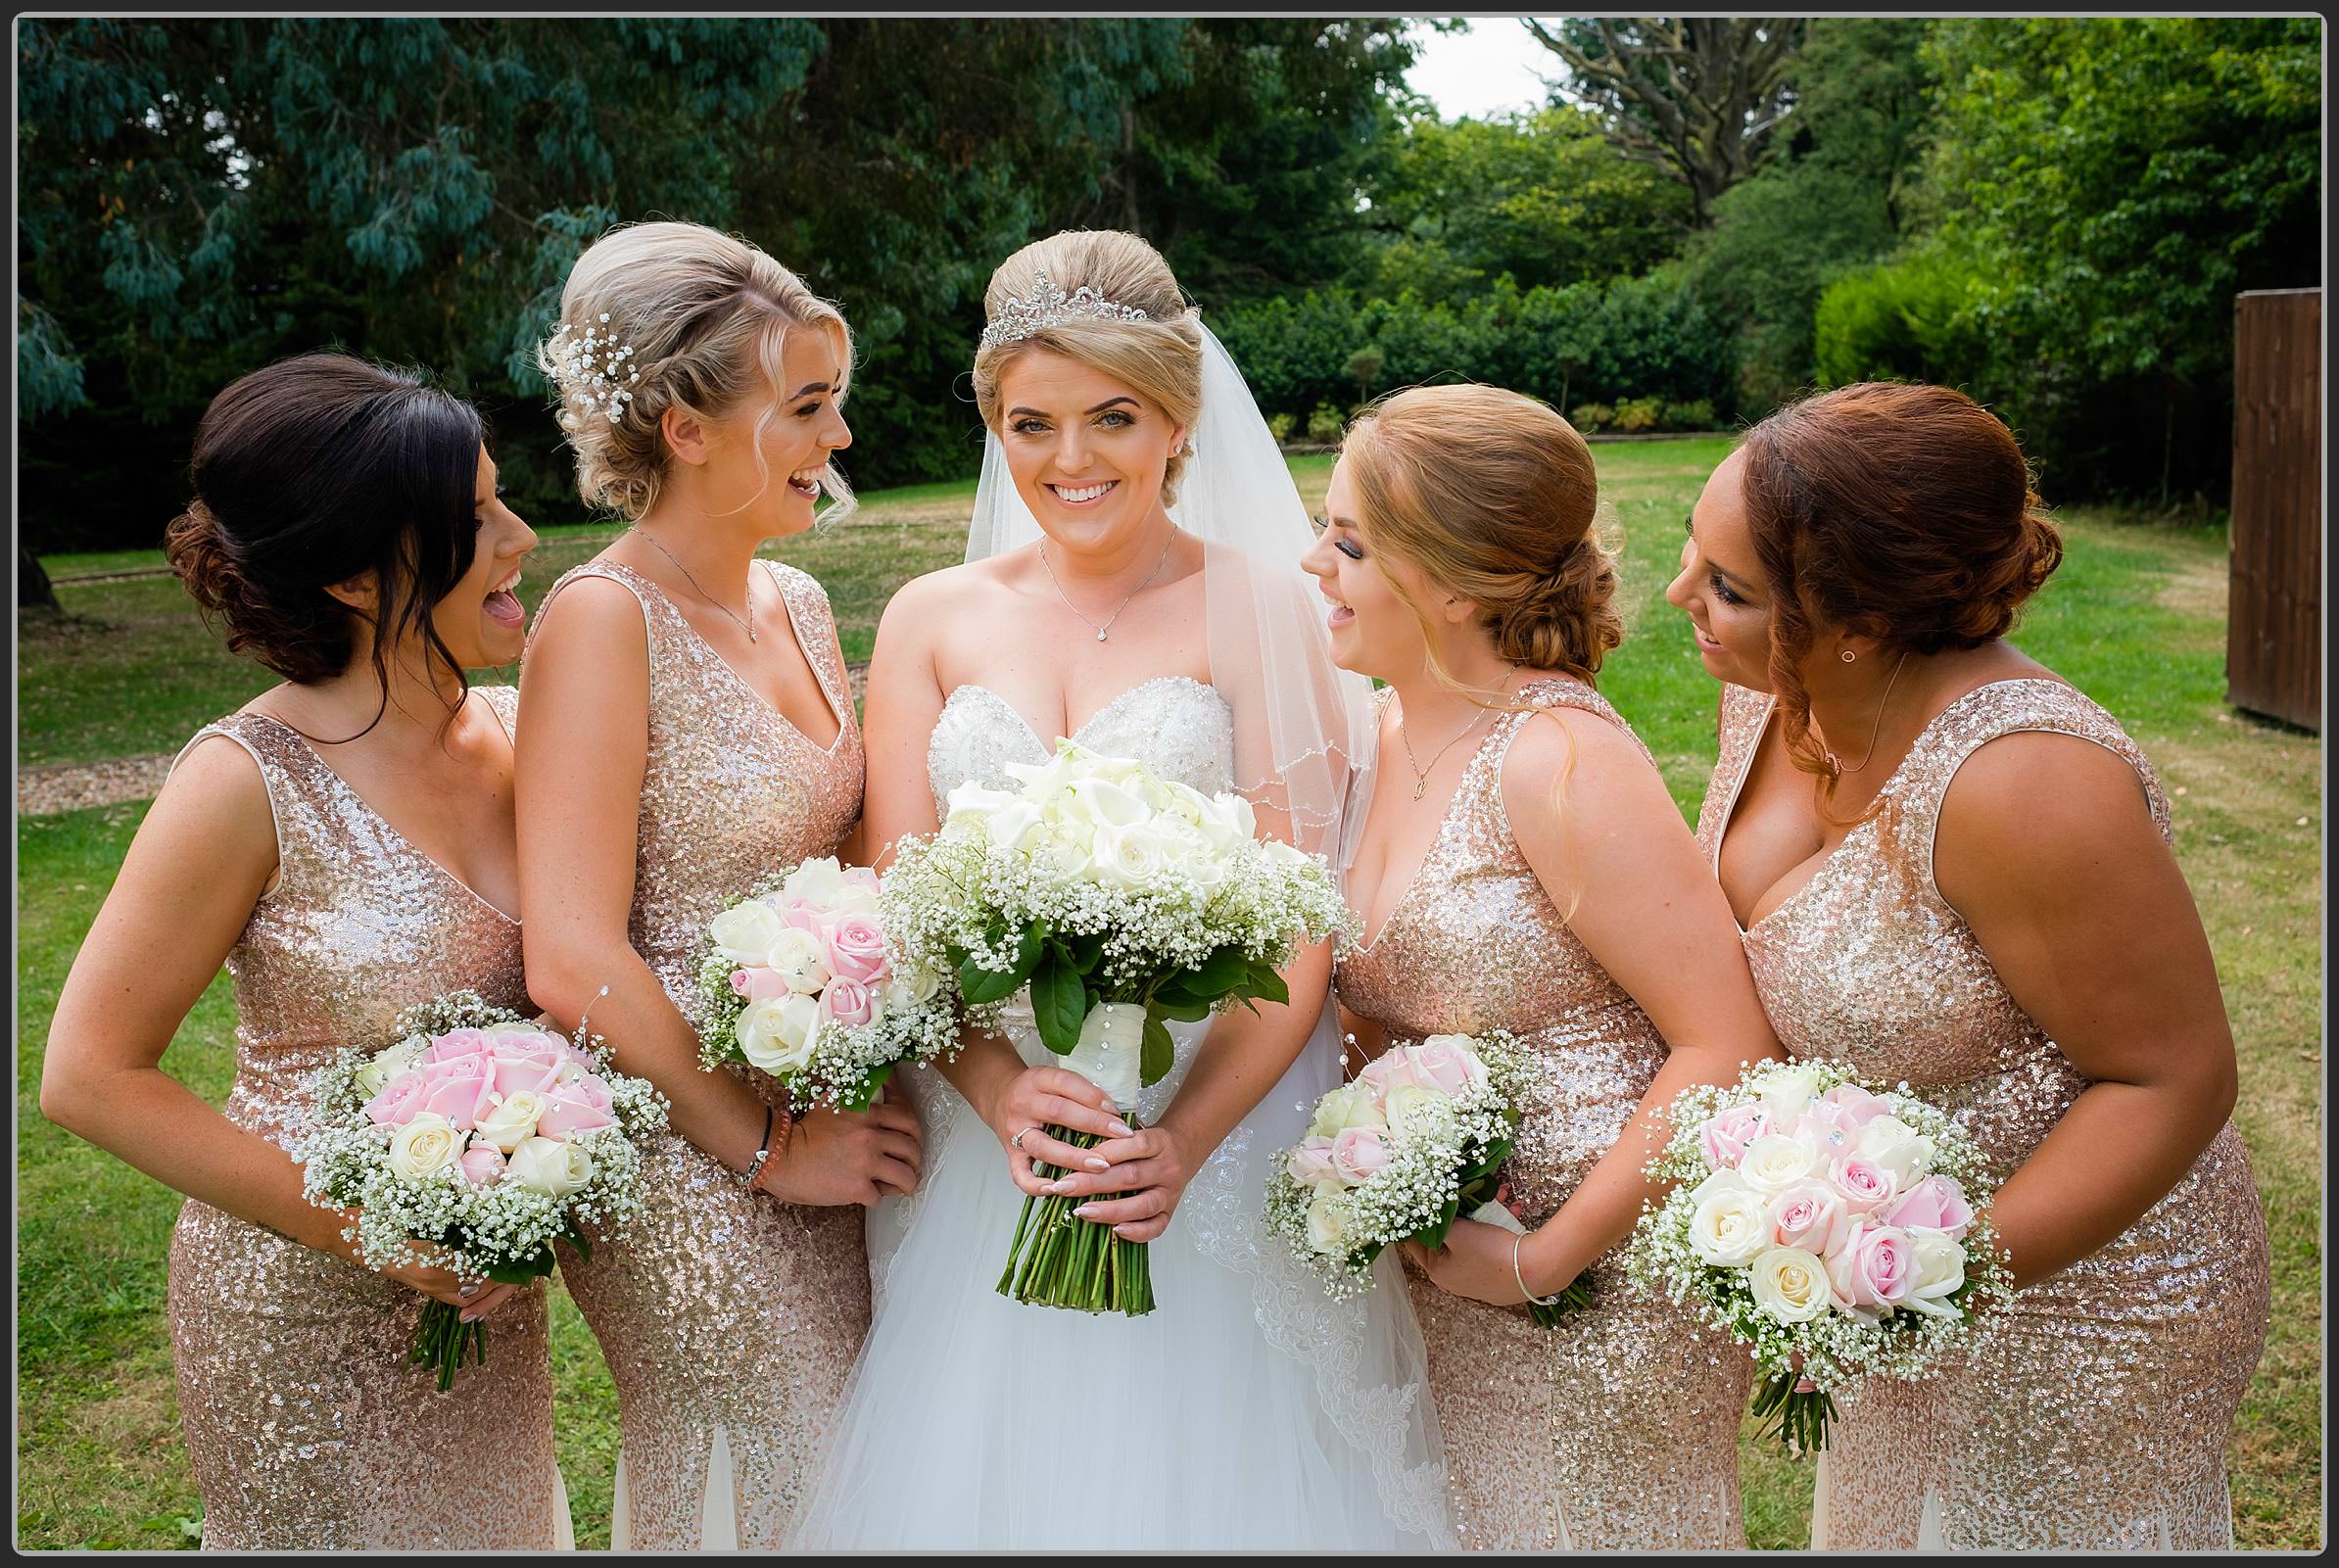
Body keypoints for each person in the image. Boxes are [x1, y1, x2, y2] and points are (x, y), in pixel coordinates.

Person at [788, 228, 1454, 1549]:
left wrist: (1181, 1142)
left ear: (1177, 421)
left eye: (1114, 417)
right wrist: (998, 1090)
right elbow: (901, 900)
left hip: (1217, 1118)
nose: (1071, 460)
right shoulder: (930, 615)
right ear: (994, 421)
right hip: (1002, 1146)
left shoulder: (1257, 607)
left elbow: (1298, 919)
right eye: (1032, 422)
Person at [1672, 380, 2271, 1549]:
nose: (1682, 597)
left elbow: (2172, 1079)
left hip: (2083, 1296)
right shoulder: (1776, 696)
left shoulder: (2025, 779)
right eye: (1699, 558)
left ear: (1861, 618)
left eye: (1730, 587)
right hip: (1878, 1254)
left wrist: (1914, 1275)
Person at [40, 354, 569, 1548]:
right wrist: (378, 1231)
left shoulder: (524, 731)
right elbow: (87, 1073)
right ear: (347, 572)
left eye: (501, 498)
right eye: (474, 520)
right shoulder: (242, 780)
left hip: (487, 1304)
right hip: (302, 1319)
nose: (523, 536)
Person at [513, 221, 920, 1549]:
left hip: (834, 1108)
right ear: (685, 424)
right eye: (806, 409)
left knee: (876, 1463)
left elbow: (845, 847)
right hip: (692, 1157)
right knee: (778, 1473)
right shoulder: (601, 620)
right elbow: (571, 952)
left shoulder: (798, 601)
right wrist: (764, 1148)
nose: (839, 440)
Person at [1313, 384, 1775, 1547]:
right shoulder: (1372, 734)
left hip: (1598, 1286)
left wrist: (1541, 1259)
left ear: (1457, 584)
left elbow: (1729, 1040)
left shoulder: (1558, 757)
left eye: (1350, 542)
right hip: (1448, 1267)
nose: (1313, 562)